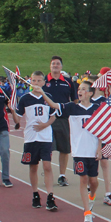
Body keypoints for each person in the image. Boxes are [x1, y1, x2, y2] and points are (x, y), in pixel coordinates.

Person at [34, 80, 102, 222]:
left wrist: (100, 147)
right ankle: (87, 212)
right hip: (78, 152)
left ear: (90, 93)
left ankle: (92, 196)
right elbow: (54, 105)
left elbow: (102, 130)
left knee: (94, 181)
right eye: (79, 89)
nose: (80, 91)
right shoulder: (71, 107)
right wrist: (42, 93)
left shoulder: (97, 109)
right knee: (83, 179)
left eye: (84, 89)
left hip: (93, 151)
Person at [13, 71, 58, 211]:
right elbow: (17, 120)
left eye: (39, 81)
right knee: (33, 166)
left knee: (47, 166)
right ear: (30, 82)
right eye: (34, 81)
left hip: (45, 137)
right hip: (31, 137)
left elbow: (53, 115)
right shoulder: (25, 98)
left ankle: (50, 196)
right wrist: (12, 109)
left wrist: (45, 125)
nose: (36, 83)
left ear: (44, 83)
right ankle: (35, 194)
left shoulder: (48, 97)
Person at [45, 56, 77, 187]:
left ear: (61, 66)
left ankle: (62, 175)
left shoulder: (68, 82)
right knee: (48, 148)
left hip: (63, 118)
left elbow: (74, 100)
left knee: (64, 148)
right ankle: (48, 173)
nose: (55, 65)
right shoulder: (44, 81)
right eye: (53, 63)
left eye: (58, 63)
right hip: (47, 119)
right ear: (50, 66)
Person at [90, 73, 111, 207]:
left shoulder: (105, 102)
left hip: (103, 137)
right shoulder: (86, 102)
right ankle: (91, 187)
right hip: (89, 140)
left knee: (105, 164)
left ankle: (108, 193)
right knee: (91, 168)